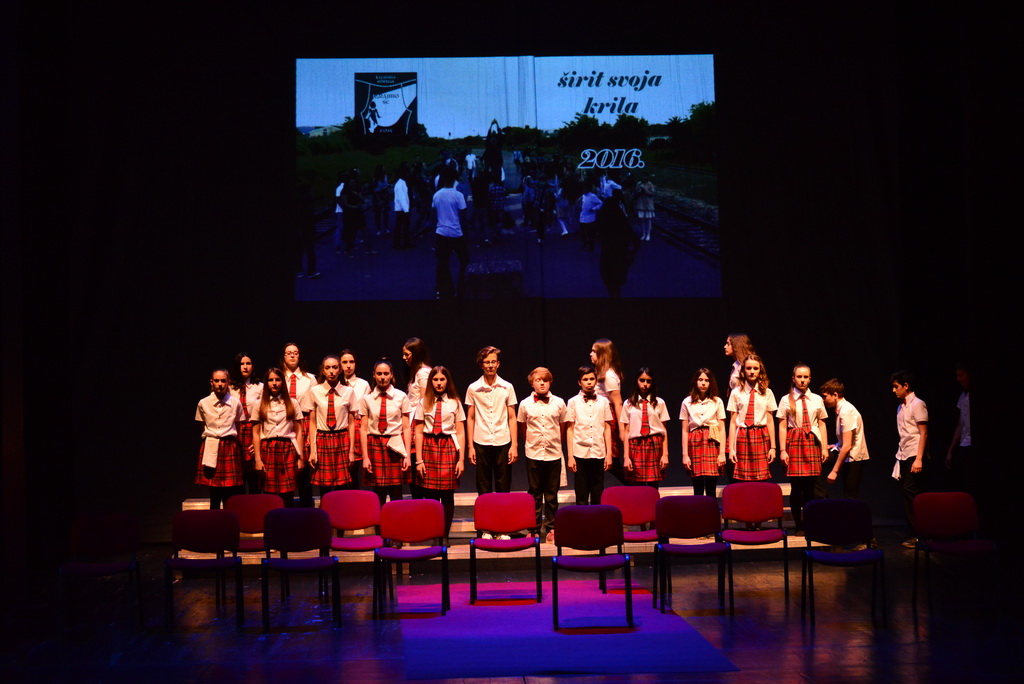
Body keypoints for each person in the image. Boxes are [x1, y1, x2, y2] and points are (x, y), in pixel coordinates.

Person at [413, 366, 465, 541]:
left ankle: (445, 535)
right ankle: (435, 533)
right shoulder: (423, 402)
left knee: (447, 494)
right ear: (431, 382)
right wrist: (419, 460)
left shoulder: (454, 402)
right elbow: (418, 432)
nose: (439, 383)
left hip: (448, 446)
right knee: (431, 494)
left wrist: (461, 460)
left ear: (447, 381)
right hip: (429, 446)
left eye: (442, 379)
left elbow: (461, 432)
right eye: (435, 380)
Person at [777, 365, 829, 534]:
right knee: (796, 488)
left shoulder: (816, 399)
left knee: (810, 488)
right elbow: (783, 425)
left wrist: (824, 448)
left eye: (806, 377)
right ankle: (798, 525)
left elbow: (821, 423)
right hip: (795, 441)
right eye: (799, 376)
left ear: (810, 379)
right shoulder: (786, 399)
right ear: (793, 378)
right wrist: (783, 449)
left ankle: (809, 523)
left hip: (812, 442)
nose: (802, 380)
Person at [517, 367, 566, 543]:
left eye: (545, 380)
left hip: (553, 452)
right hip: (533, 452)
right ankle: (534, 528)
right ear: (532, 383)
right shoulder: (525, 404)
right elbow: (523, 427)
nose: (542, 383)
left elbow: (562, 427)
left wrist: (555, 444)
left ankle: (552, 528)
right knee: (535, 492)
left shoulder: (559, 403)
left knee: (552, 493)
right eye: (538, 380)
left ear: (550, 382)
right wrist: (531, 443)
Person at [466, 346, 518, 495]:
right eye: (487, 362)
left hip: (503, 440)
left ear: (498, 364)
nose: (490, 365)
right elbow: (470, 418)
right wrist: (470, 447)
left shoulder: (507, 387)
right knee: (483, 485)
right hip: (481, 441)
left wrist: (514, 445)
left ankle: (503, 517)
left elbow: (512, 417)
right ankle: (485, 517)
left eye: (493, 362)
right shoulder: (473, 388)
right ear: (481, 364)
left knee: (504, 484)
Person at [360, 359, 412, 506]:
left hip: (395, 445)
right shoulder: (367, 399)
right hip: (375, 444)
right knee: (379, 493)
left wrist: (407, 455)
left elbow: (406, 427)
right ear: (374, 375)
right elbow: (363, 429)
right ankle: (380, 528)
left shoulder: (401, 396)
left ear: (391, 375)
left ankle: (396, 526)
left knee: (396, 492)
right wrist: (365, 457)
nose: (382, 377)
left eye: (385, 373)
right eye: (379, 374)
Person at [252, 367, 305, 507]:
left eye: (277, 379)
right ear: (266, 382)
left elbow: (299, 431)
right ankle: (272, 525)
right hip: (268, 449)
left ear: (282, 382)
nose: (274, 383)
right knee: (269, 492)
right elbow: (256, 433)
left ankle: (287, 524)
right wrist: (257, 459)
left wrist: (300, 457)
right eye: (270, 380)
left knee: (287, 493)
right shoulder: (259, 404)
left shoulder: (292, 403)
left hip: (287, 448)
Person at [307, 355, 359, 497]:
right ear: (323, 371)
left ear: (340, 370)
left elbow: (352, 423)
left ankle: (340, 516)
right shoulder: (315, 391)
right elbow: (312, 422)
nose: (331, 371)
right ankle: (325, 516)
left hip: (341, 438)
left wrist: (351, 451)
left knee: (341, 485)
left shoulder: (348, 391)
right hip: (322, 438)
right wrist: (313, 450)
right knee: (324, 485)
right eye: (328, 368)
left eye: (335, 367)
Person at [195, 369, 245, 509]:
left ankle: (229, 523)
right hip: (211, 445)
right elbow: (202, 424)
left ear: (228, 383)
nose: (220, 384)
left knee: (230, 491)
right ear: (211, 382)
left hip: (229, 446)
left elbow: (238, 424)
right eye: (216, 381)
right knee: (214, 491)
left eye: (223, 381)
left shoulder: (235, 403)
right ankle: (215, 524)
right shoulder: (203, 403)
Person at [565, 364, 613, 506]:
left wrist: (609, 454)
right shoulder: (573, 402)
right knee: (581, 493)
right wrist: (570, 456)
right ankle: (582, 526)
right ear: (580, 382)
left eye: (592, 379)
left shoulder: (604, 402)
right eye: (585, 379)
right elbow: (570, 429)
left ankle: (597, 525)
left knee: (598, 491)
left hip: (598, 452)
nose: (589, 382)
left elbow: (607, 427)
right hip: (580, 453)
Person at [891, 370, 928, 548]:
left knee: (911, 492)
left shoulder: (918, 404)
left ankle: (920, 534)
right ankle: (916, 534)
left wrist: (919, 458)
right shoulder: (901, 406)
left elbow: (923, 433)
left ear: (906, 386)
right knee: (907, 493)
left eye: (896, 386)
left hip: (915, 453)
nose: (894, 390)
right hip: (905, 454)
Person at [727, 355, 777, 482]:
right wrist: (731, 448)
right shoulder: (736, 393)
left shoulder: (767, 392)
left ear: (760, 370)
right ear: (743, 370)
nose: (752, 371)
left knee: (761, 479)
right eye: (749, 368)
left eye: (755, 368)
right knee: (742, 479)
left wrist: (773, 447)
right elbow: (733, 422)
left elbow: (770, 420)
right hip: (743, 435)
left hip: (761, 434)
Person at [817, 378, 869, 500]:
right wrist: (835, 445)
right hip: (844, 453)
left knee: (850, 495)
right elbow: (845, 441)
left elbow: (847, 446)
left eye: (825, 397)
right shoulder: (840, 409)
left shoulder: (846, 411)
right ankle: (821, 497)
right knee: (817, 461)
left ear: (835, 395)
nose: (823, 400)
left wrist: (834, 471)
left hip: (853, 458)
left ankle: (852, 518)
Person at [680, 367, 726, 502]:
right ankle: (698, 517)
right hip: (695, 441)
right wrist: (685, 454)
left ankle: (712, 517)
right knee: (698, 485)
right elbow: (684, 430)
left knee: (711, 484)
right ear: (696, 382)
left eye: (706, 380)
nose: (703, 383)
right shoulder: (687, 402)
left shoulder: (717, 401)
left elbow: (722, 428)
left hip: (712, 440)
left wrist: (722, 452)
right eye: (700, 380)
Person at [280, 343, 317, 507]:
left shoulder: (310, 379)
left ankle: (307, 512)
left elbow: (315, 406)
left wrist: (311, 435)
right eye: (289, 353)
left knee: (303, 471)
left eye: (295, 353)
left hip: (304, 422)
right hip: (284, 424)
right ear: (284, 356)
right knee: (285, 468)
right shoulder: (278, 377)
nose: (292, 356)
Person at [621, 367, 671, 487]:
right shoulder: (628, 403)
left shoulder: (659, 403)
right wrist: (626, 457)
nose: (645, 384)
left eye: (648, 381)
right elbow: (626, 431)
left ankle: (653, 506)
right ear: (636, 381)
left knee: (654, 485)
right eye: (642, 380)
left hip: (654, 444)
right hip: (636, 445)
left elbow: (664, 430)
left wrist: (665, 455)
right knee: (637, 486)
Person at [590, 338, 625, 483]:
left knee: (610, 459)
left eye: (594, 351)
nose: (590, 354)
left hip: (608, 419)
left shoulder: (609, 376)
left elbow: (618, 403)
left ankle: (633, 486)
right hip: (599, 416)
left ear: (603, 354)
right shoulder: (601, 373)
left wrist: (622, 430)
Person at [432, 165, 469, 298]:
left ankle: (445, 288)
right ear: (454, 179)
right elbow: (463, 217)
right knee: (464, 260)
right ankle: (460, 288)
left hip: (441, 233)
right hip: (456, 233)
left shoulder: (437, 195)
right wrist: (465, 235)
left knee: (443, 262)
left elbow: (434, 215)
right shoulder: (458, 195)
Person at [403, 337, 432, 499]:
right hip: (412, 420)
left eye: (407, 354)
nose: (404, 357)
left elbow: (425, 401)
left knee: (418, 463)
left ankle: (422, 502)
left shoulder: (423, 373)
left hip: (418, 422)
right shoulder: (416, 373)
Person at [230, 352, 263, 494]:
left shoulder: (259, 387)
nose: (245, 367)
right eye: (242, 364)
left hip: (253, 428)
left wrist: (259, 437)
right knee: (238, 474)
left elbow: (264, 414)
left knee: (254, 475)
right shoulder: (230, 387)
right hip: (236, 429)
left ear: (253, 366)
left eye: (248, 363)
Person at [597, 188, 638, 297]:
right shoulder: (620, 216)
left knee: (607, 269)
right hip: (620, 248)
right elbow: (630, 231)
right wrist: (634, 248)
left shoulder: (603, 216)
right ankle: (616, 287)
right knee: (619, 269)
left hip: (607, 249)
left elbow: (598, 230)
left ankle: (610, 287)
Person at [340, 349, 370, 489]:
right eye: (344, 362)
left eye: (351, 362)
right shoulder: (335, 384)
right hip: (339, 427)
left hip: (357, 427)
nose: (348, 365)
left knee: (353, 469)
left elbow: (367, 410)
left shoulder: (363, 384)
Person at [945, 363, 975, 496]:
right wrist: (951, 450)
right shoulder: (962, 396)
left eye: (961, 375)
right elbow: (959, 425)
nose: (958, 379)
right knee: (964, 484)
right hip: (963, 444)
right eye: (957, 375)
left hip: (972, 446)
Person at [579, 179, 602, 252]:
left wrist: (594, 209)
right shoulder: (583, 196)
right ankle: (585, 242)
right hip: (583, 216)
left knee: (590, 233)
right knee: (582, 232)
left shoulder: (592, 196)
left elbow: (600, 203)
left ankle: (591, 245)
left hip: (590, 217)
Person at [392, 165, 411, 249]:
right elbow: (402, 198)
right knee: (402, 227)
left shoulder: (401, 183)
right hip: (402, 209)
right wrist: (406, 210)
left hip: (401, 209)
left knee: (400, 226)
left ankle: (401, 243)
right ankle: (401, 243)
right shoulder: (401, 184)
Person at [633, 173, 656, 241]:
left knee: (648, 219)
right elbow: (635, 193)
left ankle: (648, 234)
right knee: (642, 220)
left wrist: (645, 190)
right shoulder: (638, 184)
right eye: (642, 176)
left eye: (645, 176)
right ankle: (643, 234)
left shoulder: (650, 184)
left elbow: (652, 193)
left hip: (648, 204)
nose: (643, 178)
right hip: (641, 203)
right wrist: (639, 192)